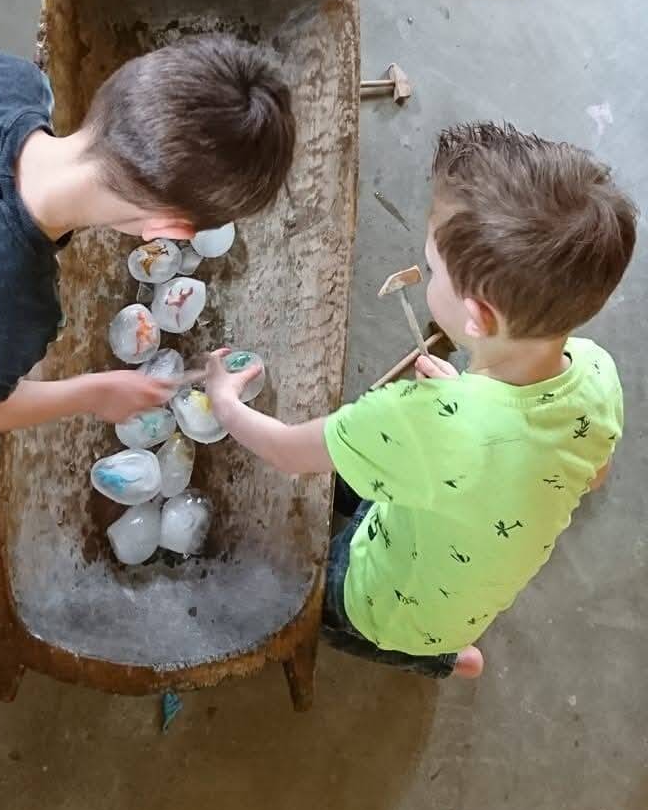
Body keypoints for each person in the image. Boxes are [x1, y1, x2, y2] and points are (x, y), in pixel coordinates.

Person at [205, 122, 637, 681]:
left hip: (386, 603)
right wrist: (467, 403)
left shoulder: (419, 420)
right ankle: (451, 649)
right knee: (431, 575)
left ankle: (442, 658)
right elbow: (593, 473)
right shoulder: (597, 371)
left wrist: (225, 403)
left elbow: (287, 453)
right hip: (466, 583)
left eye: (433, 269)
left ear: (478, 317)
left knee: (317, 607)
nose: (426, 275)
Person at [0, 36, 294, 433]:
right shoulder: (15, 305)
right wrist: (93, 393)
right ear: (167, 231)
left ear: (117, 89)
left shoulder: (4, 78)